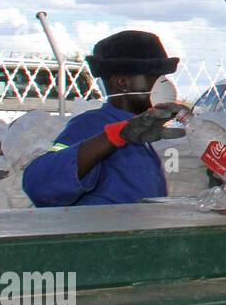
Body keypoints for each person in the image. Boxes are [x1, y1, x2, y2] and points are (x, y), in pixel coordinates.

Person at [22, 30, 184, 207]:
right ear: (121, 82)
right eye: (155, 76)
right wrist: (113, 137)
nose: (166, 84)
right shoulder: (92, 125)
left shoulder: (142, 134)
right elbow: (40, 185)